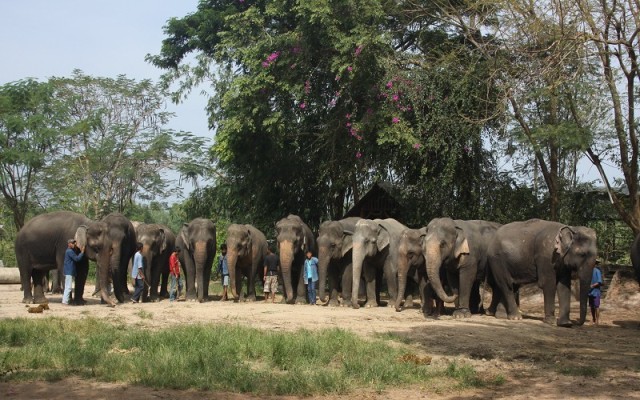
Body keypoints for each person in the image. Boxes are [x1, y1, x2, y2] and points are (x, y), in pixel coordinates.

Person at [62, 239, 85, 305]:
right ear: (69, 244)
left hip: (68, 271)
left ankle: (65, 301)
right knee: (68, 287)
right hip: (69, 271)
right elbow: (77, 259)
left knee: (67, 287)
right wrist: (82, 252)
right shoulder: (69, 251)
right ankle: (65, 301)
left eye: (74, 243)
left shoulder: (69, 251)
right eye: (73, 243)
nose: (74, 244)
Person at [589, 259, 604, 325]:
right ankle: (593, 319)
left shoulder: (597, 271)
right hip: (590, 292)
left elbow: (599, 282)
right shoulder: (588, 272)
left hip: (596, 291)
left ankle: (597, 320)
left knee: (596, 306)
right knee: (591, 306)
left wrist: (592, 286)